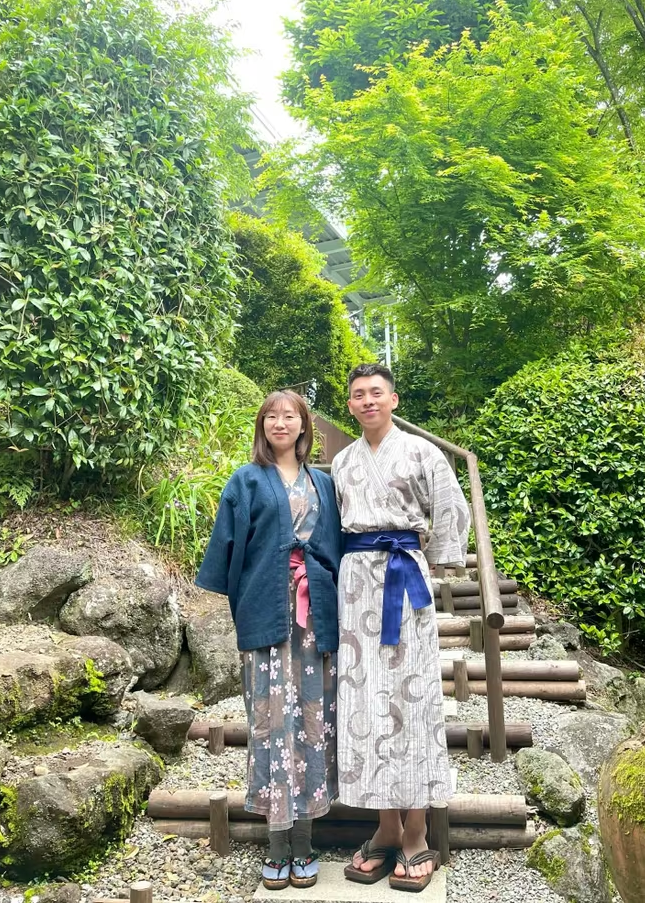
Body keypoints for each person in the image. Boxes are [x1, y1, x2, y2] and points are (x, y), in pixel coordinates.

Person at [331, 363, 469, 893]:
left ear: (393, 399)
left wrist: (435, 560)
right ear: (350, 405)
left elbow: (451, 508)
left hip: (405, 582)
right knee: (366, 700)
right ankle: (385, 826)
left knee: (412, 700)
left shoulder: (422, 452)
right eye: (358, 394)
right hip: (355, 585)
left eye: (376, 393)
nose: (368, 401)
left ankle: (416, 831)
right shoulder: (342, 461)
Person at [196, 390, 341, 891]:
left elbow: (335, 548)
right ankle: (277, 845)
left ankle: (305, 841)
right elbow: (228, 549)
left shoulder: (323, 483)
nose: (281, 423)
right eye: (272, 416)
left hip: (314, 620)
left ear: (304, 426)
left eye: (290, 416)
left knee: (313, 723)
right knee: (271, 725)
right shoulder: (246, 479)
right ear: (262, 425)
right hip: (267, 616)